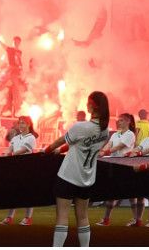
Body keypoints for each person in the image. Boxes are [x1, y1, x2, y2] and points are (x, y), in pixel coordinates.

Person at [47, 90, 110, 249]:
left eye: (88, 102)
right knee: (83, 217)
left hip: (68, 175)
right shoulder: (105, 131)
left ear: (92, 106)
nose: (86, 104)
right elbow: (79, 143)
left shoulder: (81, 126)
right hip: (87, 178)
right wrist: (60, 150)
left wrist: (48, 149)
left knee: (62, 216)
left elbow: (62, 140)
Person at [98, 114, 138, 227]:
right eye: (118, 120)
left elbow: (118, 147)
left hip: (126, 167)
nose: (118, 122)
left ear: (127, 122)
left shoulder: (130, 134)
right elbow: (109, 145)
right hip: (115, 166)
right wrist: (101, 151)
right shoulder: (115, 134)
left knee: (131, 195)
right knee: (112, 193)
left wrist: (103, 152)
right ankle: (106, 219)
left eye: (120, 120)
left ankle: (136, 219)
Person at [0, 115, 40, 226]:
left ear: (29, 124)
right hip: (14, 168)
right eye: (20, 123)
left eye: (23, 123)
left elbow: (22, 151)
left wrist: (10, 154)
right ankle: (9, 217)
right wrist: (6, 153)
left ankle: (28, 218)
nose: (21, 125)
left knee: (27, 193)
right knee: (13, 193)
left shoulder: (31, 137)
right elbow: (10, 149)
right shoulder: (15, 138)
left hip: (27, 168)